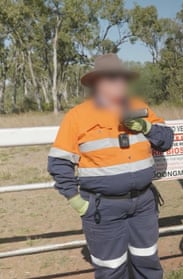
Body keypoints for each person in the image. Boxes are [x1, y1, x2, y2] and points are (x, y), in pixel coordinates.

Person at [47, 53, 173, 279]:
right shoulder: (78, 116)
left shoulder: (140, 107)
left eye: (122, 77)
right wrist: (76, 202)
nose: (119, 82)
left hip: (143, 204)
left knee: (148, 262)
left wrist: (146, 127)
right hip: (102, 208)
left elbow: (166, 139)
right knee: (111, 269)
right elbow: (59, 162)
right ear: (97, 82)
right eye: (111, 77)